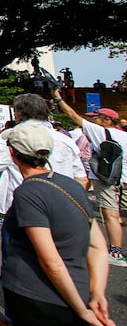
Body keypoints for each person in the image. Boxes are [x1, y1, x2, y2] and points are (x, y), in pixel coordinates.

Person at [0, 123, 118, 326]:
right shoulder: (71, 185)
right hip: (79, 291)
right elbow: (98, 246)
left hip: (38, 297)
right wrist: (97, 292)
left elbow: (51, 262)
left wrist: (84, 311)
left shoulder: (28, 192)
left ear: (12, 152)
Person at [52, 90, 127, 268]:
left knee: (111, 215)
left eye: (97, 117)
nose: (94, 120)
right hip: (124, 177)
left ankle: (115, 252)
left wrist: (58, 98)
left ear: (107, 120)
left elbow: (72, 114)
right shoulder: (124, 134)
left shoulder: (101, 132)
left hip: (107, 178)